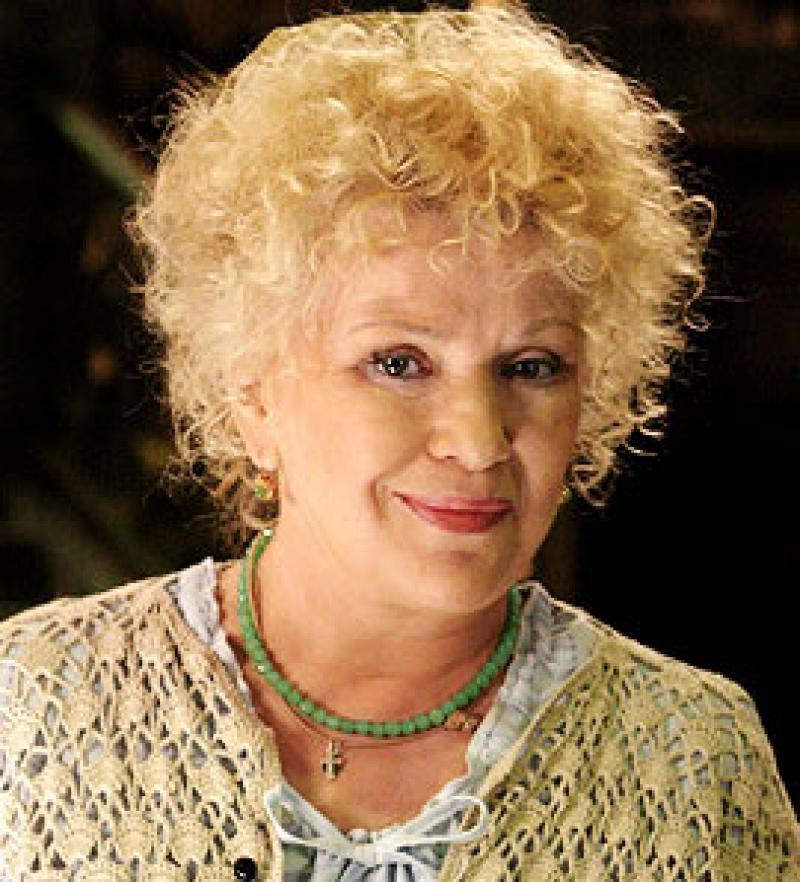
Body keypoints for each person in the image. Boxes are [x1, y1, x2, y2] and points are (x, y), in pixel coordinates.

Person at [1, 2, 797, 880]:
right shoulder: (31, 705)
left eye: (531, 367)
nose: (478, 441)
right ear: (251, 392)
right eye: (398, 363)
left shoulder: (693, 766)